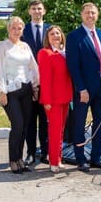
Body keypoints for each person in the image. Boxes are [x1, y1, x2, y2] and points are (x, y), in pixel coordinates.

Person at [0, 16, 40, 174]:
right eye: (13, 28)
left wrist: (35, 87)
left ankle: (20, 159)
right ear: (8, 29)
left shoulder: (25, 46)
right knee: (17, 125)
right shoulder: (2, 47)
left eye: (19, 28)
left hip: (26, 89)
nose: (16, 31)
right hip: (10, 91)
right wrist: (1, 91)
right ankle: (13, 159)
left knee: (25, 126)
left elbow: (33, 67)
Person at [66, 2, 101, 172]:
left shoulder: (100, 34)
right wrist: (81, 89)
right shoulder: (74, 36)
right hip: (84, 89)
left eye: (93, 13)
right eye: (87, 13)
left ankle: (96, 158)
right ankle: (80, 159)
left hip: (100, 87)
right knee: (79, 123)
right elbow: (73, 66)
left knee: (100, 123)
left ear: (97, 15)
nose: (90, 15)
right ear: (81, 15)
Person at [38, 25, 73, 173]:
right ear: (47, 37)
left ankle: (58, 158)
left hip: (65, 97)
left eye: (58, 33)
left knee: (61, 130)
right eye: (52, 34)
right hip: (53, 99)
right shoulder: (44, 53)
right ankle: (53, 161)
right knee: (54, 131)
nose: (56, 36)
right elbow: (45, 79)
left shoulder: (65, 52)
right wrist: (46, 100)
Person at [21, 0, 49, 165]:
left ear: (44, 11)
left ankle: (45, 153)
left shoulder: (50, 30)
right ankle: (30, 153)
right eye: (34, 9)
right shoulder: (22, 31)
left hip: (47, 83)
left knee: (45, 120)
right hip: (28, 81)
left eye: (39, 8)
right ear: (29, 11)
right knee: (30, 120)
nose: (37, 11)